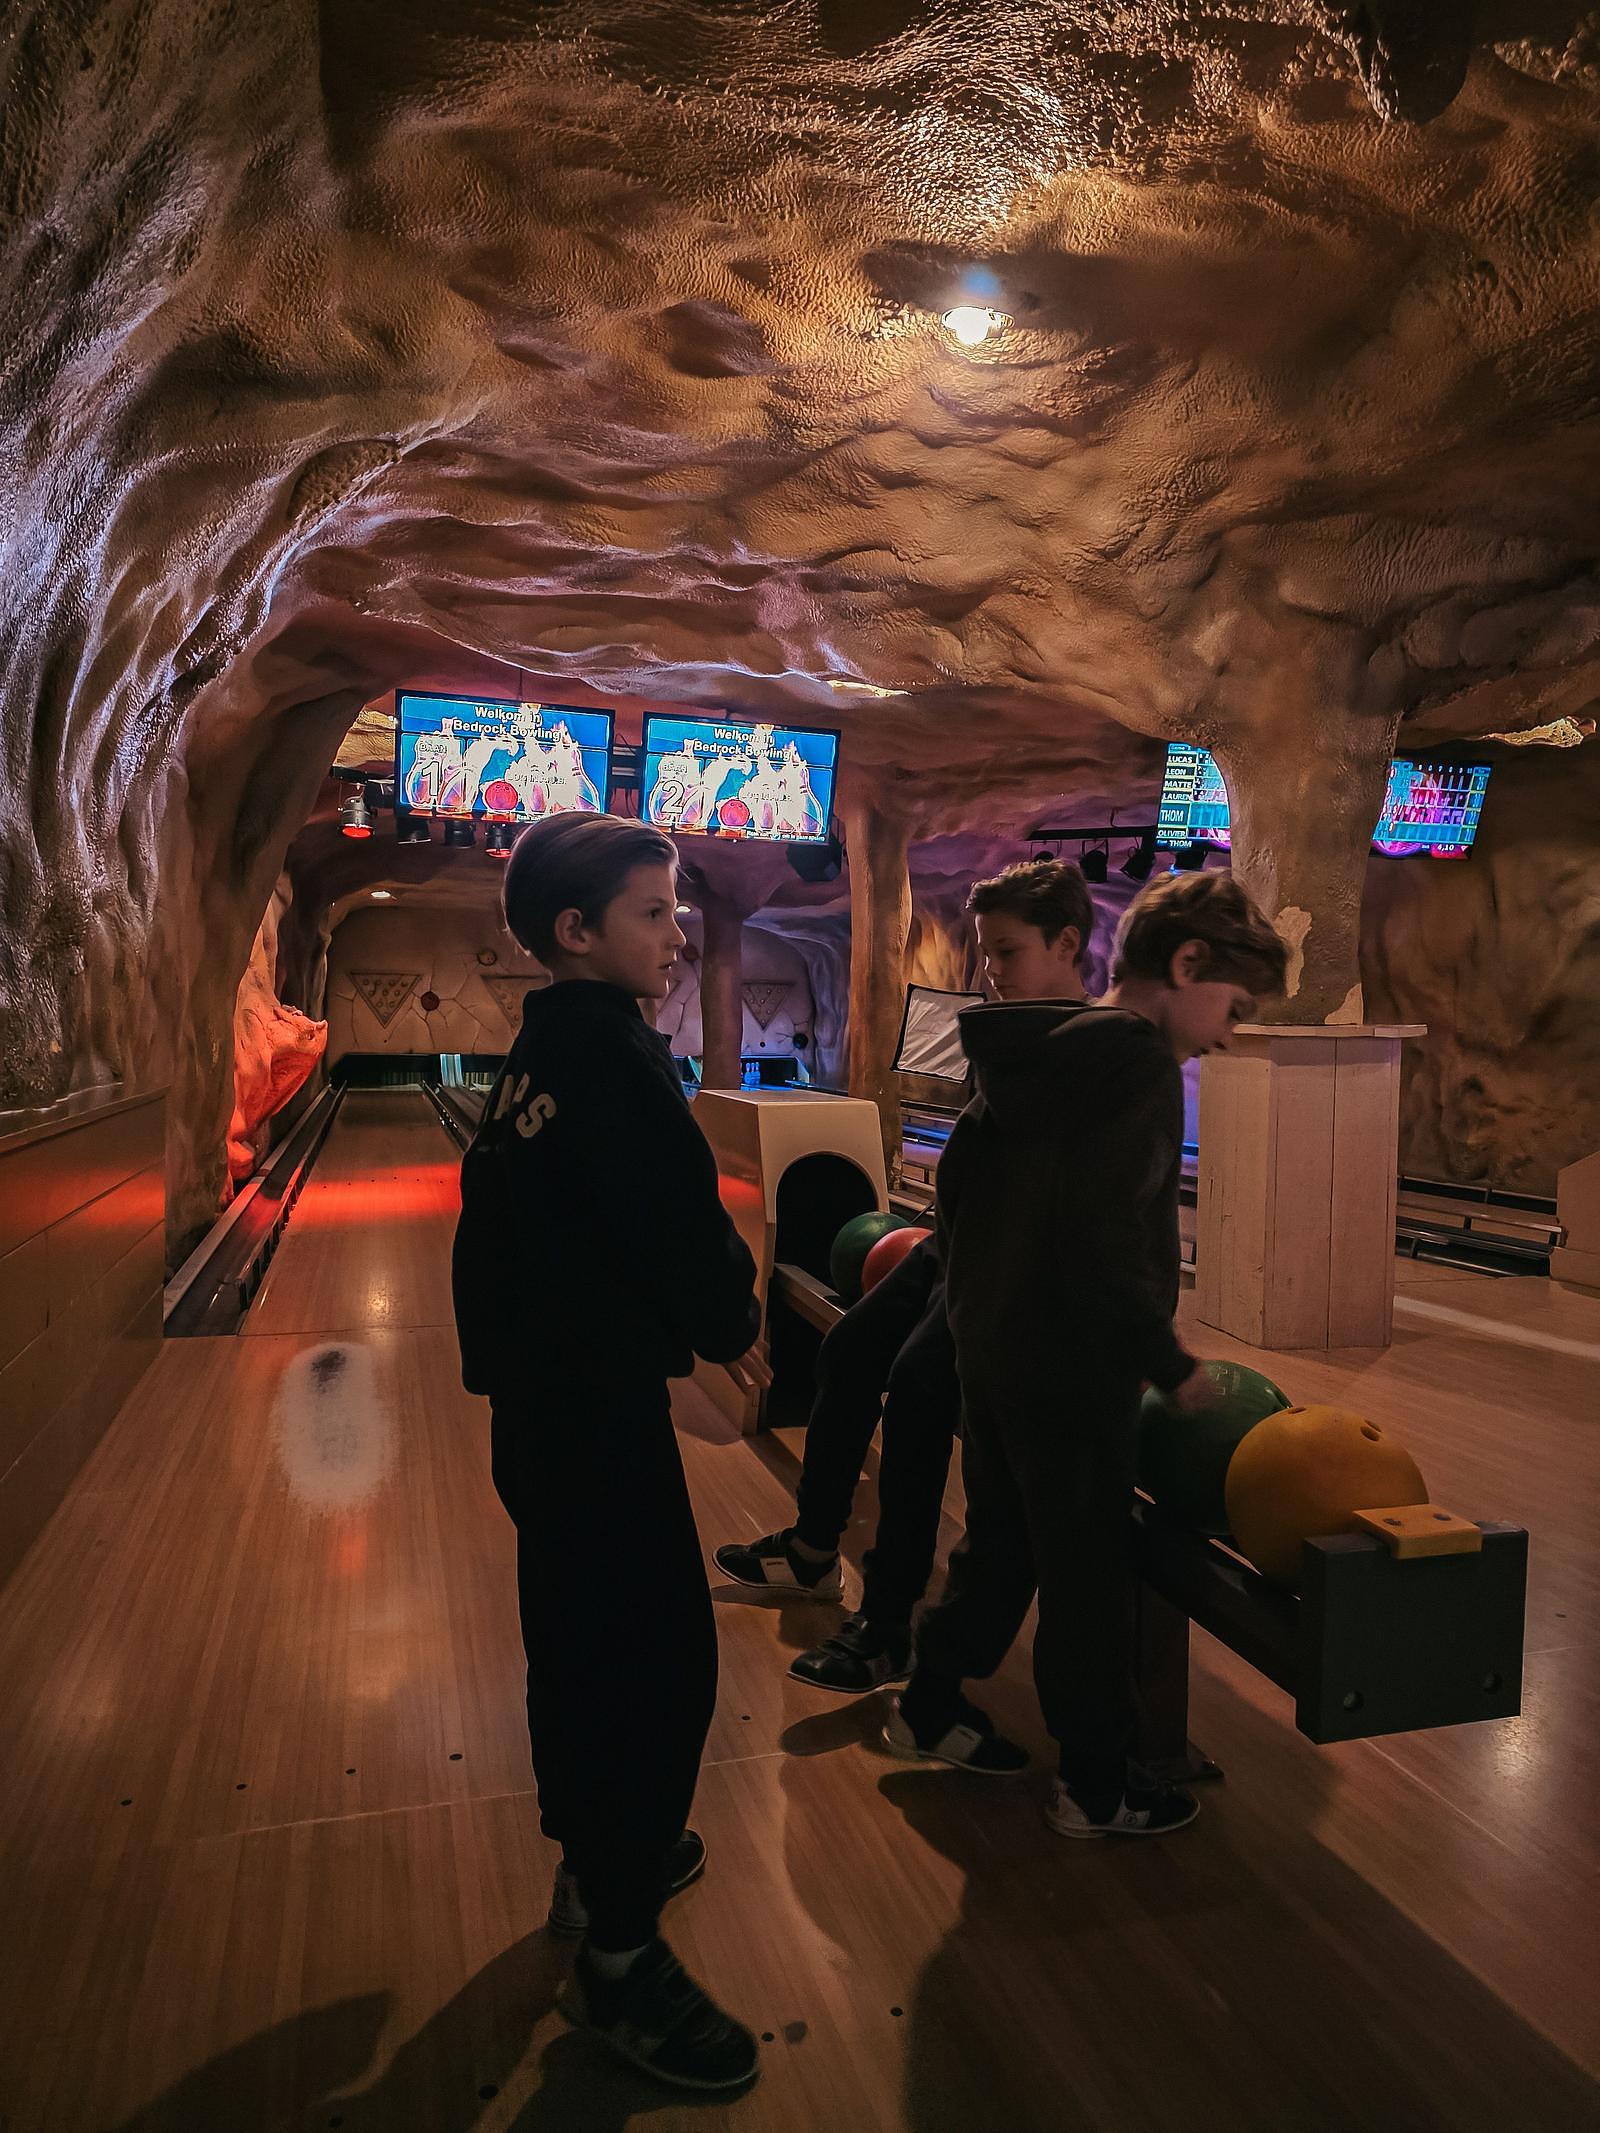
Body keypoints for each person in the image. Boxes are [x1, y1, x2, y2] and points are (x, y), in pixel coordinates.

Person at [452, 811, 770, 2093]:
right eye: (653, 911)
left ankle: (597, 1861)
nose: (677, 931)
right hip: (591, 1417)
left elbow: (490, 1245)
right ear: (576, 934)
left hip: (540, 1411)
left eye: (676, 907)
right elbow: (680, 1224)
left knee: (576, 1640)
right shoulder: (616, 1061)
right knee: (656, 1666)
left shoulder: (537, 1054)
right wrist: (731, 1322)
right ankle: (623, 1962)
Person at [884, 868, 1288, 1839]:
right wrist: (1167, 1360)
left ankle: (929, 1703)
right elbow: (1104, 1233)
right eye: (1231, 1005)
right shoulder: (1136, 1067)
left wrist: (983, 1331)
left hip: (994, 1358)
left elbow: (961, 1205)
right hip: (1073, 1371)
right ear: (1186, 963)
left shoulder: (1025, 1061)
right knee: (1084, 1579)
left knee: (1002, 1548)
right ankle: (1097, 1786)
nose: (1227, 1033)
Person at [714, 857, 1095, 1693]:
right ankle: (816, 1550)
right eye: (988, 955)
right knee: (848, 1351)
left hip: (998, 1267)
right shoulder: (1016, 1030)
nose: (991, 972)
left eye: (1008, 952)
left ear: (1069, 943)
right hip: (946, 1243)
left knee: (921, 1397)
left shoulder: (1086, 1052)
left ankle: (886, 1625)